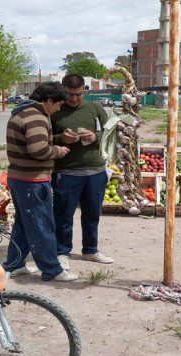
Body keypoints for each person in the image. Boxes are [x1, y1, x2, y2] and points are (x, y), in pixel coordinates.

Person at [4, 82, 78, 282]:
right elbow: (37, 149)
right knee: (42, 225)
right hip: (32, 181)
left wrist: (59, 138)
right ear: (48, 100)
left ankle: (15, 264)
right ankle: (52, 270)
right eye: (58, 104)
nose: (59, 108)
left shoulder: (23, 112)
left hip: (19, 178)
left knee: (23, 224)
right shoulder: (36, 115)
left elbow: (34, 140)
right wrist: (58, 151)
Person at [51, 74, 114, 271]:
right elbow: (44, 137)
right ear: (63, 90)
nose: (74, 99)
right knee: (63, 216)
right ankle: (62, 252)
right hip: (67, 172)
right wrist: (61, 138)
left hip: (96, 170)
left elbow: (113, 132)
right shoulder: (55, 110)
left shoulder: (95, 108)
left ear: (85, 91)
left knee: (92, 214)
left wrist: (95, 136)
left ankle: (90, 250)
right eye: (69, 94)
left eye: (78, 94)